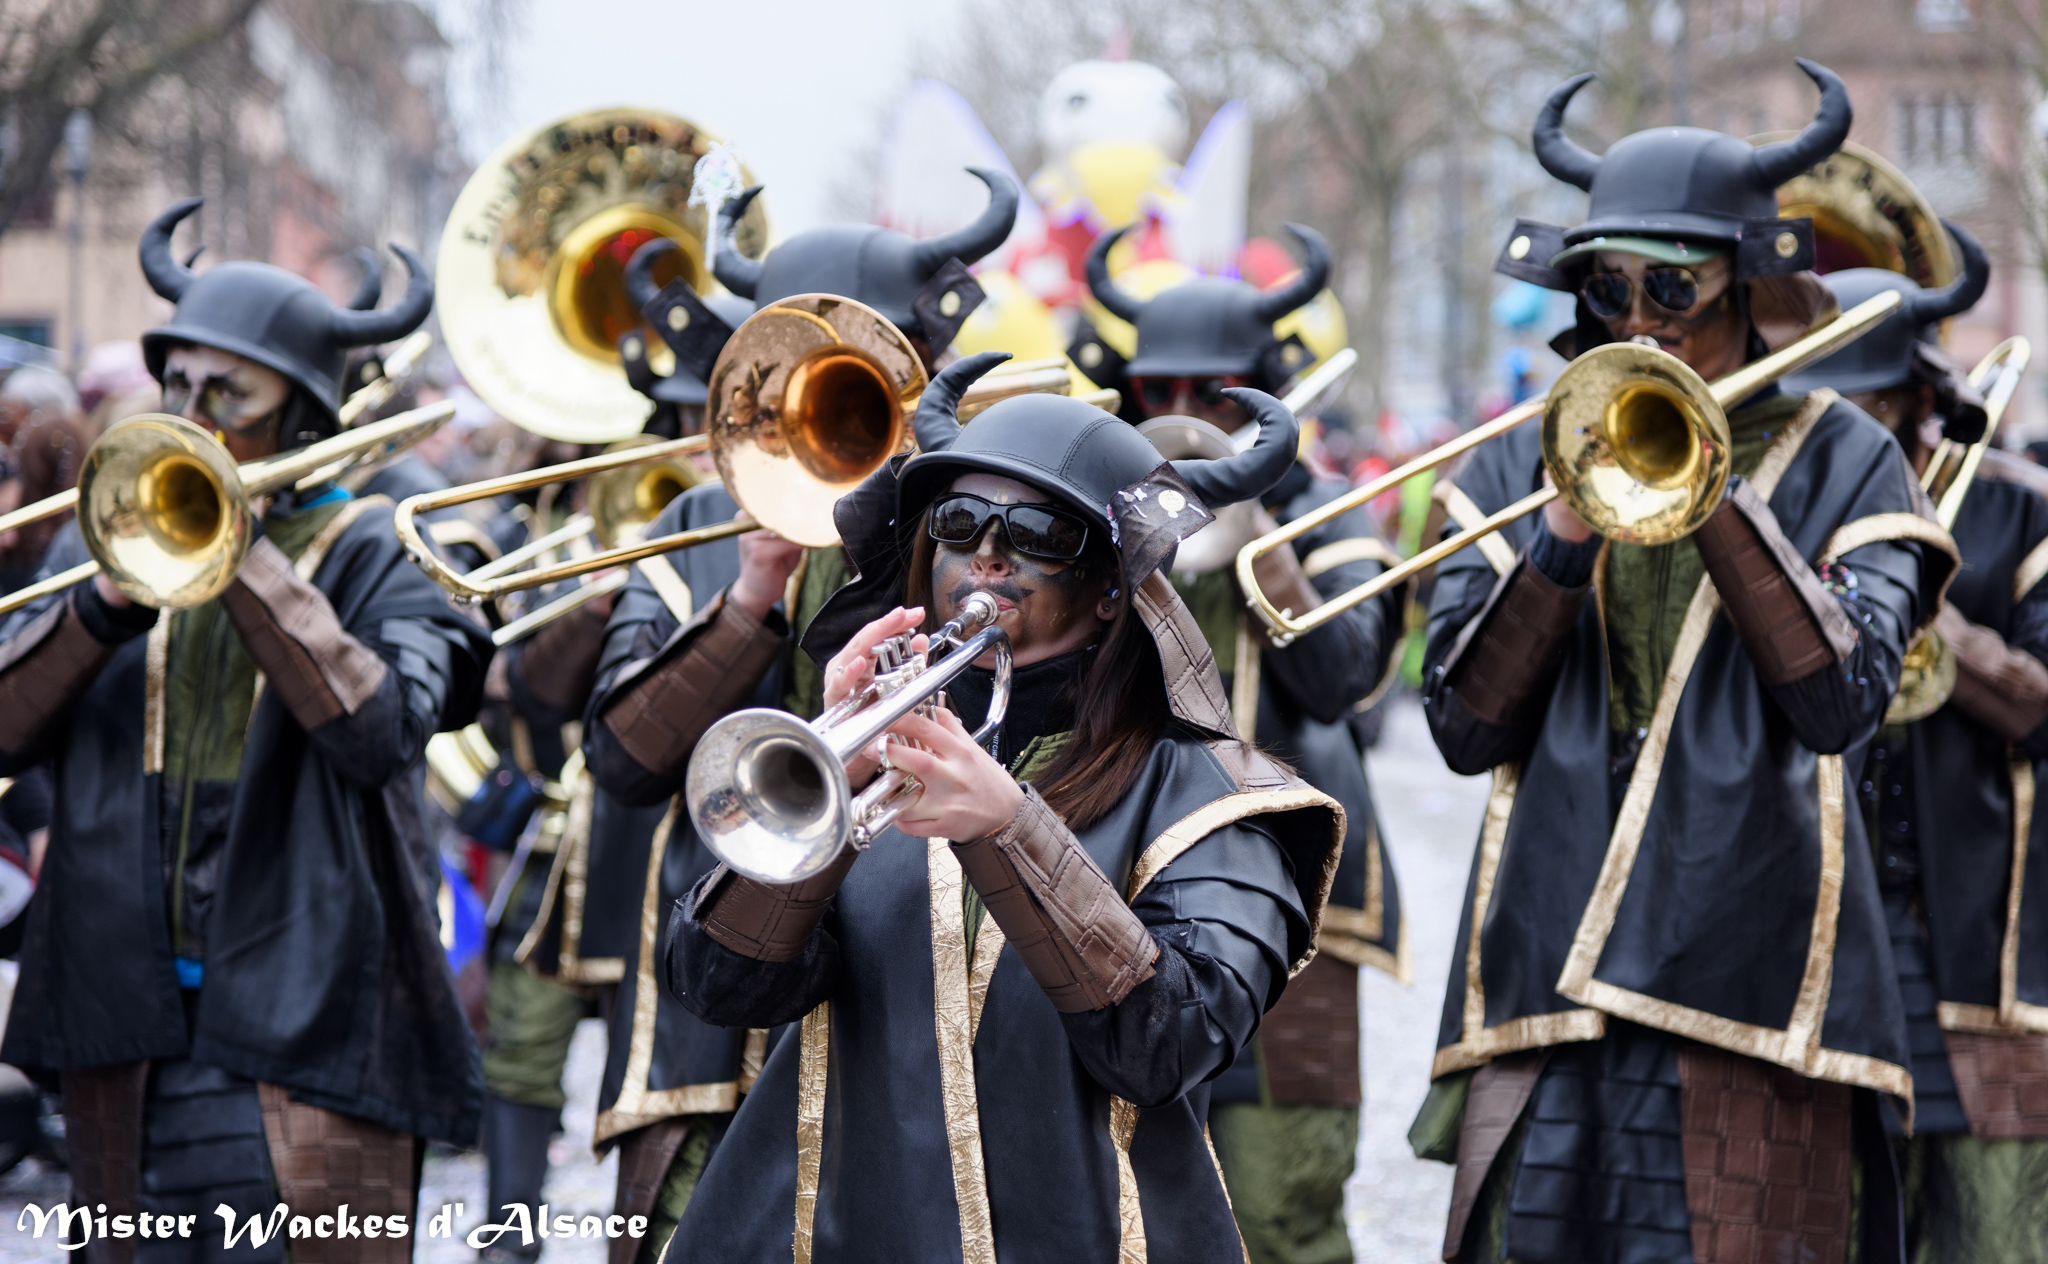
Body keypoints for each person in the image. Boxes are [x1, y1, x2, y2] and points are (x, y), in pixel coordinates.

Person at [1412, 61, 1955, 1263]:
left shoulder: (1850, 462)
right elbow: (1460, 732)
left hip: (1753, 988)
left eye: (1673, 286)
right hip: (1541, 981)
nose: (1640, 322)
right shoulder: (1512, 467)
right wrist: (1558, 526)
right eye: (1607, 288)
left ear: (1746, 285)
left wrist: (1705, 480)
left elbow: (1838, 702)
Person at [648, 352, 1342, 1261]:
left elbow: (1169, 1044)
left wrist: (1012, 830)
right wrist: (837, 774)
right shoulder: (876, 755)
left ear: (1109, 594)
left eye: (1040, 532)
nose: (988, 552)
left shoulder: (1211, 796)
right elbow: (718, 986)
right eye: (960, 522)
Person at [0, 197, 493, 1258]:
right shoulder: (107, 537)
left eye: (231, 391)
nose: (194, 411)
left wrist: (234, 549)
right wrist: (99, 606)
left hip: (304, 1033)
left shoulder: (381, 544)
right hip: (117, 1027)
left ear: (303, 413)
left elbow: (379, 732)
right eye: (177, 384)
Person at [570, 173, 1019, 1259]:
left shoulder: (965, 523)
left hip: (907, 1012)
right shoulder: (694, 519)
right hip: (703, 1014)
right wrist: (747, 598)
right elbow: (621, 758)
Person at [1090, 220, 1406, 1264]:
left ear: (1263, 386)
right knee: (1119, 1196)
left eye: (1211, 393)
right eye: (1158, 392)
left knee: (1281, 1204)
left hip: (1301, 906)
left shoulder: (1329, 511)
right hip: (1123, 891)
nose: (1180, 416)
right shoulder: (1098, 513)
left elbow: (1347, 678)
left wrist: (1255, 538)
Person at [1780, 223, 2048, 1261]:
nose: (1843, 434)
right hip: (1826, 936)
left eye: (1864, 408)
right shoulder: (1780, 512)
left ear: (1916, 398)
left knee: (1983, 1232)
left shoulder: (2018, 512)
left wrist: (1914, 607)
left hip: (1975, 935)